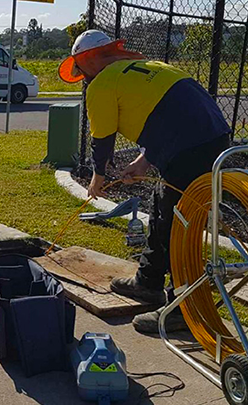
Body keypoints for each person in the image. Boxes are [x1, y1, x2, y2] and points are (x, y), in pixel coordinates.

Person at [58, 30, 231, 333]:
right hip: (212, 137)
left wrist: (97, 178)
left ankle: (182, 309)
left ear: (89, 61)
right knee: (166, 207)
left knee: (179, 222)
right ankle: (148, 282)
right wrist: (142, 162)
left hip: (188, 145)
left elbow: (102, 140)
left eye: (82, 70)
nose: (83, 78)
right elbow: (165, 115)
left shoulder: (102, 84)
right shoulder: (150, 68)